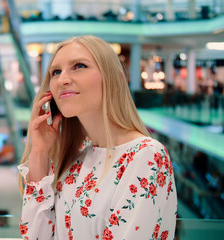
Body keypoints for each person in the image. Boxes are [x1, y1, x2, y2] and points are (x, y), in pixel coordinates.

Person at [18, 35, 177, 239]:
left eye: (79, 66)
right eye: (56, 72)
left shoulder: (146, 155)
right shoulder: (77, 157)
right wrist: (39, 151)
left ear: (115, 78)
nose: (63, 79)